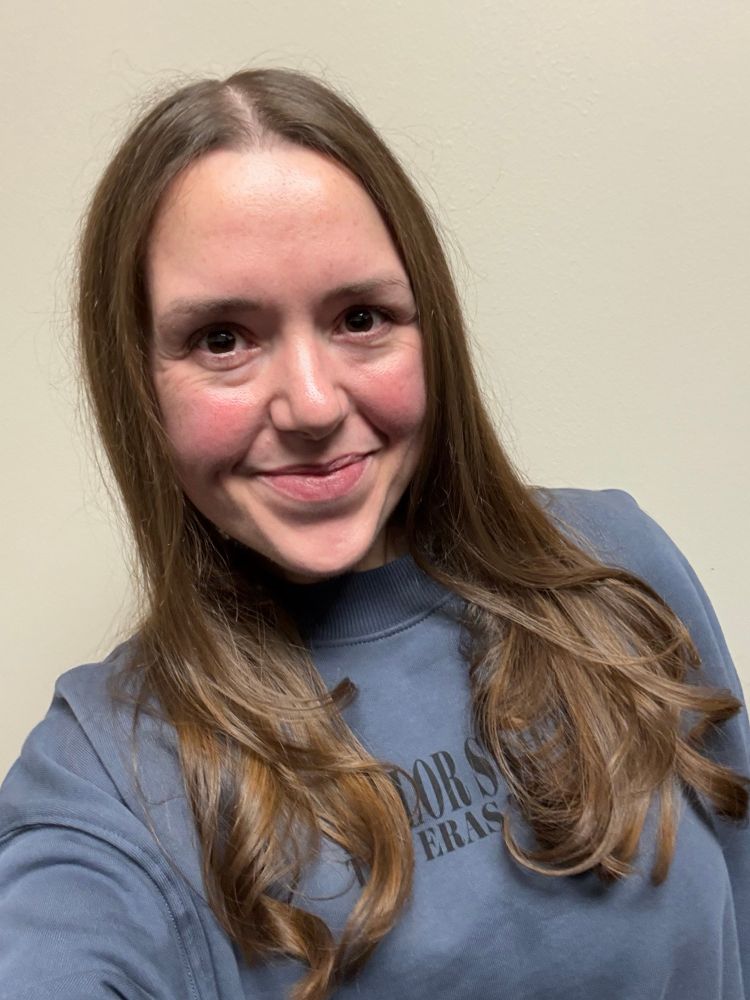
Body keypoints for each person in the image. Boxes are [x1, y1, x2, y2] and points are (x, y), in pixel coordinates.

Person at [0, 67, 747, 1000]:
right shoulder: (106, 777)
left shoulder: (615, 566)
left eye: (361, 318)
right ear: (140, 384)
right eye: (222, 339)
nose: (312, 405)